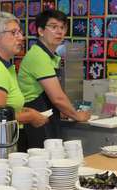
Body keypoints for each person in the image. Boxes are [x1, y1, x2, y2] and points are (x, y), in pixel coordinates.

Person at [0, 12, 49, 175]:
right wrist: (31, 117)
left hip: (3, 144)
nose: (21, 37)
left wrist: (24, 112)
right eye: (14, 33)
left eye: (20, 32)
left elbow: (6, 109)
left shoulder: (2, 66)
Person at [17, 10, 91, 149]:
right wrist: (77, 116)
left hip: (46, 117)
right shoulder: (39, 56)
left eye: (62, 27)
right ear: (40, 31)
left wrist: (65, 110)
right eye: (53, 26)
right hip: (35, 121)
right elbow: (57, 97)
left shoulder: (50, 55)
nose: (59, 32)